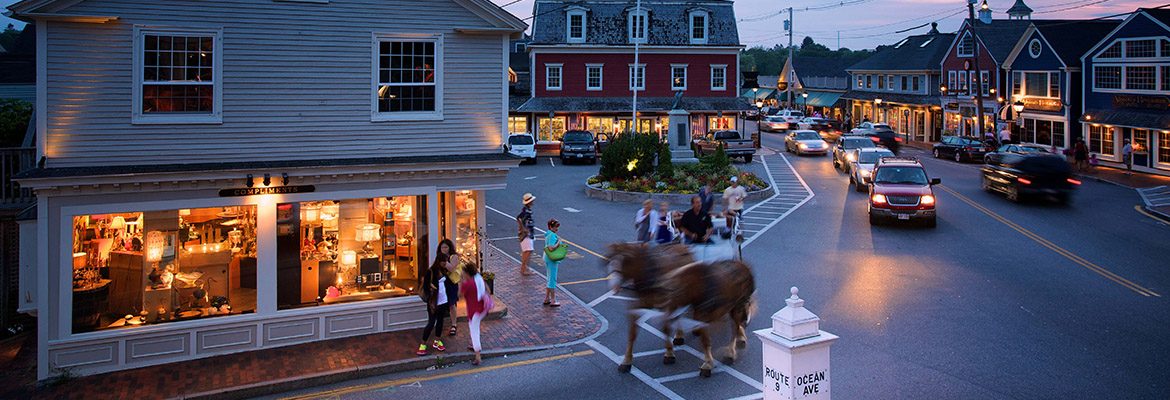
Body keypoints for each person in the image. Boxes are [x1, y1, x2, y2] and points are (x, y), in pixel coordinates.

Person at [417, 253, 450, 356]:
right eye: (444, 261)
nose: (446, 263)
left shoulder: (444, 270)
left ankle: (437, 340)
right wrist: (432, 288)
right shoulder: (430, 272)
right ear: (439, 261)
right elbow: (426, 287)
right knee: (431, 323)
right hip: (433, 302)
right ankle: (423, 344)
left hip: (443, 300)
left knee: (440, 321)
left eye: (446, 261)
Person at [459, 263, 490, 365]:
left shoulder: (467, 284)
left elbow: (459, 295)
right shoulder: (479, 278)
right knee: (475, 327)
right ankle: (474, 345)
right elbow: (487, 289)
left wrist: (461, 282)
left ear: (468, 273)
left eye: (464, 274)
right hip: (482, 308)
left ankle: (478, 356)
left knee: (474, 331)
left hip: (474, 311)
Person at [437, 239, 460, 337]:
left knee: (451, 303)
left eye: (446, 247)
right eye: (442, 247)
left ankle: (454, 324)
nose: (444, 249)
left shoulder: (453, 257)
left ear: (450, 247)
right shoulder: (439, 257)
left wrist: (444, 261)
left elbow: (451, 268)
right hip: (442, 282)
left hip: (451, 282)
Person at [542, 219, 565, 307]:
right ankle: (553, 300)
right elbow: (551, 248)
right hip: (552, 259)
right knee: (552, 279)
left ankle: (547, 298)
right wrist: (559, 242)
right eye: (555, 227)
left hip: (547, 258)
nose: (557, 229)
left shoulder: (548, 234)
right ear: (551, 227)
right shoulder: (552, 235)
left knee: (549, 278)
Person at [516, 193, 536, 276]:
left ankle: (525, 268)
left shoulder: (527, 210)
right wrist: (524, 229)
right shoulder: (526, 211)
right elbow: (519, 218)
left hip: (528, 233)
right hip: (526, 234)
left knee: (528, 251)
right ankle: (524, 268)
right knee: (528, 251)